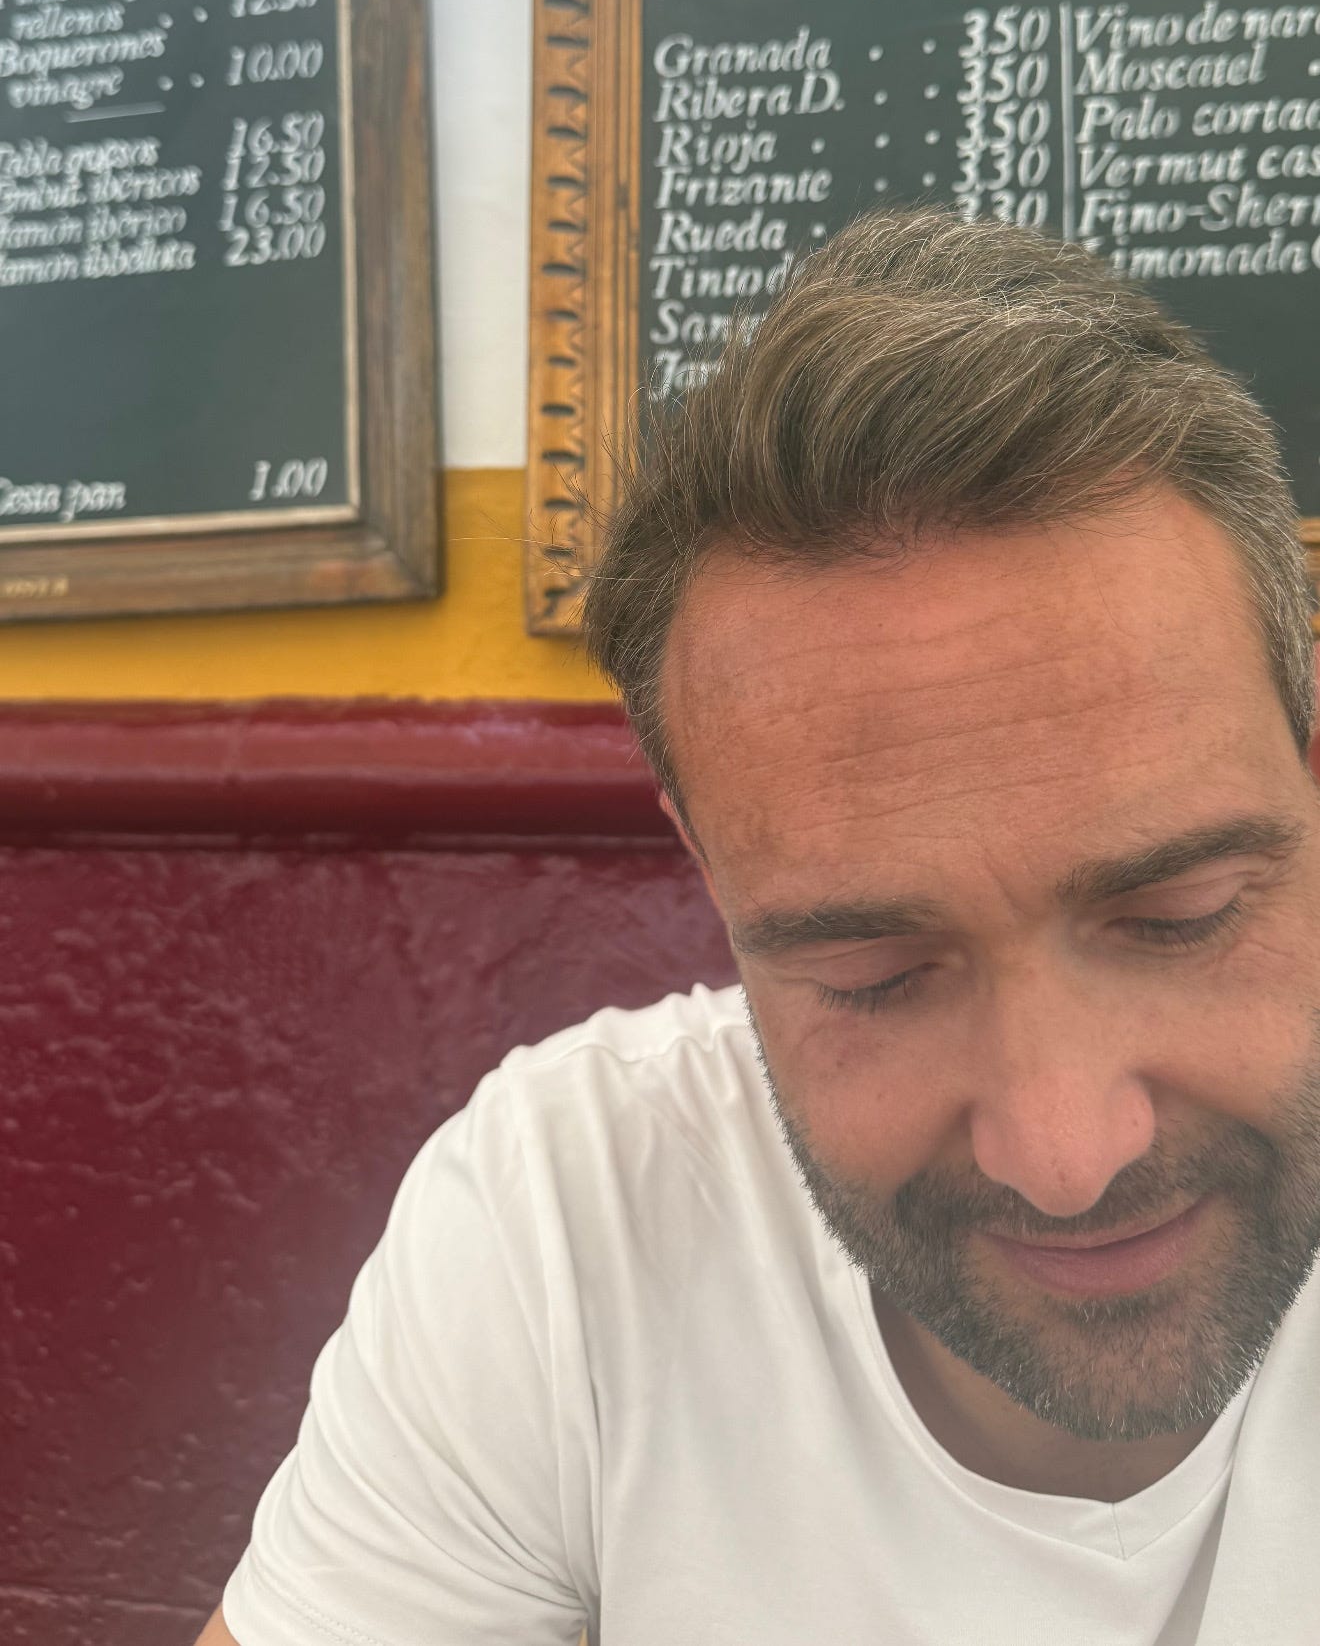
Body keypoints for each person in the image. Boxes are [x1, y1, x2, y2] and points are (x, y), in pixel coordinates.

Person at [200, 206, 1320, 1646]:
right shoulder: (572, 1213)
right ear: (710, 870)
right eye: (873, 976)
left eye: (1179, 917)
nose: (1065, 1155)